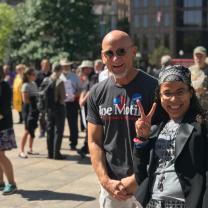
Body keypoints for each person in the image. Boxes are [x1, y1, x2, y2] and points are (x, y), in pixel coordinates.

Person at [87, 30, 157, 208]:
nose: (115, 59)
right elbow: (94, 141)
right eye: (109, 53)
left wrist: (136, 179)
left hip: (149, 182)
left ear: (133, 52)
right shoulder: (96, 92)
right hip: (112, 188)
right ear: (103, 57)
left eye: (121, 52)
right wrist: (105, 181)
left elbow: (165, 143)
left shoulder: (154, 88)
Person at [133, 65, 208, 208]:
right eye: (167, 93)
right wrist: (142, 139)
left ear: (190, 93)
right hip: (153, 204)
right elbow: (140, 175)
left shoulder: (202, 125)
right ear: (160, 96)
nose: (174, 99)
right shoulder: (155, 129)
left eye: (180, 92)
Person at [43, 63, 66, 160]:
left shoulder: (46, 79)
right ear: (60, 70)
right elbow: (62, 98)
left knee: (49, 130)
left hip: (48, 108)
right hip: (58, 108)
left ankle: (50, 153)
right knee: (58, 131)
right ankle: (56, 154)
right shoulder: (60, 81)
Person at [0, 66, 17, 195]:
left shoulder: (4, 86)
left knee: (1, 155)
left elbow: (4, 109)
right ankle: (1, 183)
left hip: (3, 126)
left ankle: (11, 184)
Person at [60, 58, 81, 151]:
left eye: (67, 65)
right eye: (64, 66)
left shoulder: (74, 76)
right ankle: (58, 142)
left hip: (72, 103)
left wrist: (74, 95)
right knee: (59, 124)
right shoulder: (58, 76)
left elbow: (80, 90)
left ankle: (73, 143)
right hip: (60, 104)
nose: (66, 67)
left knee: (73, 124)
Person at [19, 67, 39, 158]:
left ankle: (30, 149)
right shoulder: (25, 85)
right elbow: (25, 100)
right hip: (28, 110)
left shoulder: (34, 84)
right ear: (28, 75)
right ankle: (21, 151)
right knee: (27, 130)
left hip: (34, 109)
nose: (35, 76)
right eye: (33, 74)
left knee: (33, 129)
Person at [77, 60, 95, 158]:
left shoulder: (94, 77)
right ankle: (86, 147)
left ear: (89, 68)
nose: (83, 70)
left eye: (84, 68)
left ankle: (86, 147)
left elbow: (91, 90)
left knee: (90, 128)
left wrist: (83, 100)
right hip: (87, 106)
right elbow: (84, 89)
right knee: (88, 127)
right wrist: (81, 99)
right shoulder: (87, 78)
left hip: (92, 106)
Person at [36, 59, 51, 138]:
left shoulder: (51, 74)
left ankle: (48, 129)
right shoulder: (38, 75)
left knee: (49, 115)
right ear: (42, 65)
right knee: (41, 115)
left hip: (50, 98)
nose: (46, 66)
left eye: (48, 64)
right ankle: (42, 130)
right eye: (45, 64)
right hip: (41, 99)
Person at [189, 46, 208, 111]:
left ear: (205, 56)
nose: (198, 59)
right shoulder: (190, 70)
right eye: (197, 56)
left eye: (201, 56)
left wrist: (205, 91)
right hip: (193, 107)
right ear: (193, 57)